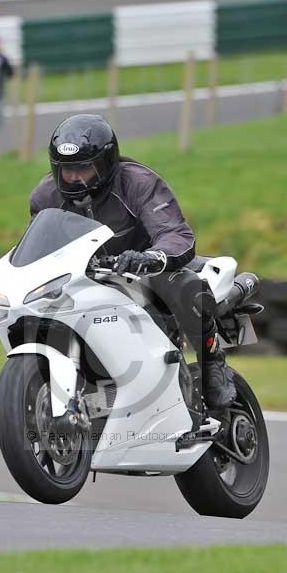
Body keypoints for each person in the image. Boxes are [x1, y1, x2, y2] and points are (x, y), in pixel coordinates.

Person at [29, 113, 236, 410]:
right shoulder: (45, 196)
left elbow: (175, 233)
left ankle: (213, 365)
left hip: (145, 271)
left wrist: (150, 257)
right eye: (66, 169)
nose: (73, 177)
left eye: (83, 168)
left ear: (105, 163)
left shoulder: (138, 182)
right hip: (86, 278)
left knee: (186, 285)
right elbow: (38, 248)